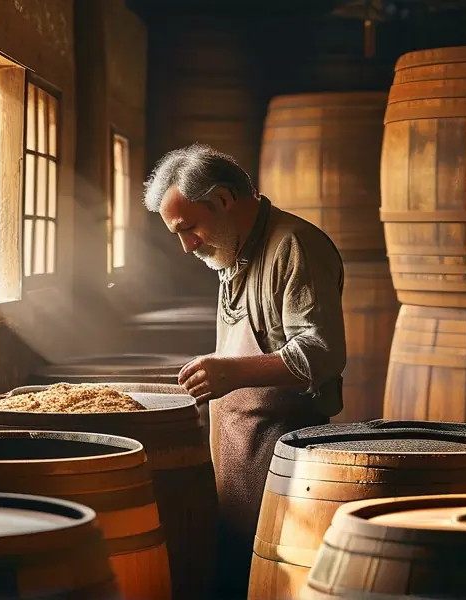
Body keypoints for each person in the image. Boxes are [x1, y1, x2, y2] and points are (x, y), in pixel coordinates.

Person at [142, 143, 346, 598]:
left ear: (221, 200)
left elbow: (322, 353)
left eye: (189, 227)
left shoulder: (294, 246)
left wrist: (231, 373)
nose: (186, 245)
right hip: (234, 457)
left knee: (270, 584)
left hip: (283, 455)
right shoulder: (230, 249)